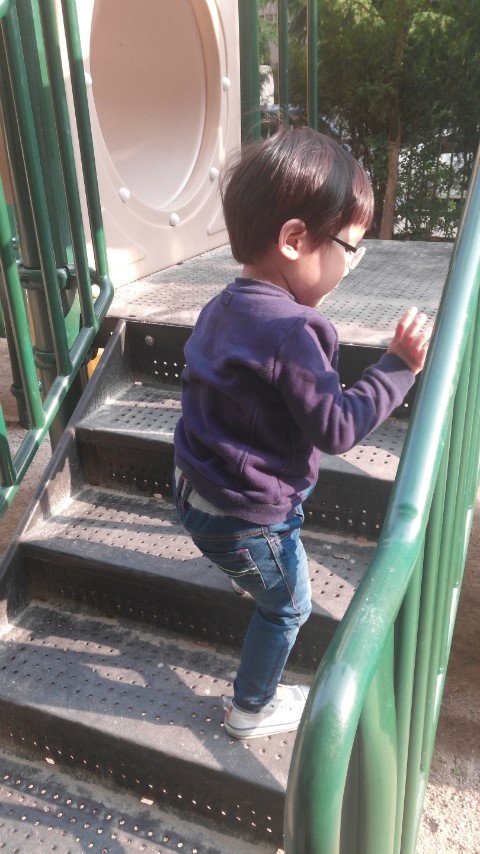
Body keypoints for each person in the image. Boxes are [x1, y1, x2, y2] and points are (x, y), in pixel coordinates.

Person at [173, 127, 430, 740]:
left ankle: (245, 572)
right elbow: (337, 427)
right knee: (289, 607)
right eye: (350, 248)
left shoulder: (221, 304)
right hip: (244, 519)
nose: (352, 264)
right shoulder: (297, 331)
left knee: (263, 556)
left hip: (192, 488)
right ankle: (250, 709)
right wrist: (398, 368)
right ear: (293, 240)